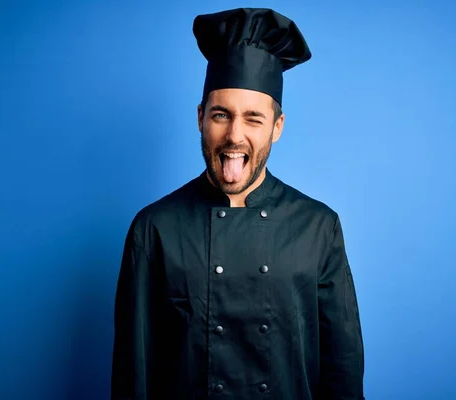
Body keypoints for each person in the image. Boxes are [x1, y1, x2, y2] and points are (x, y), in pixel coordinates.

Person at [111, 7, 365, 400]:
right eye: (220, 115)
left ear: (277, 127)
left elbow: (342, 368)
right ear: (200, 118)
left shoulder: (318, 227)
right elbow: (133, 374)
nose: (234, 134)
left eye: (253, 119)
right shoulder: (154, 228)